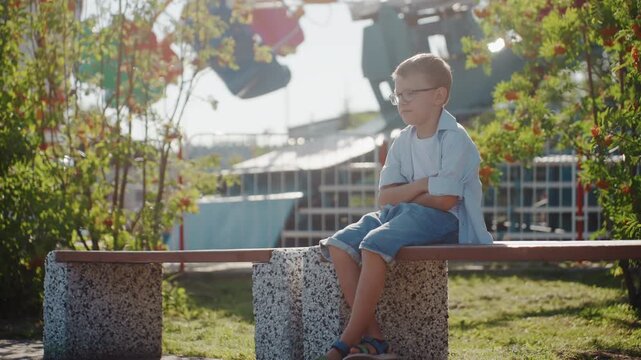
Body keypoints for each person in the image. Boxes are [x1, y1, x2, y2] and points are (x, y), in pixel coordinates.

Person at [315, 53, 493, 360]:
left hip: (446, 221)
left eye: (411, 93)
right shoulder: (402, 141)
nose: (402, 101)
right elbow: (385, 198)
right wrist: (424, 183)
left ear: (440, 95)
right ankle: (376, 339)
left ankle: (344, 343)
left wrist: (406, 194)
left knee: (373, 244)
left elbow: (445, 201)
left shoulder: (454, 140)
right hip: (398, 215)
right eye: (398, 94)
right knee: (340, 245)